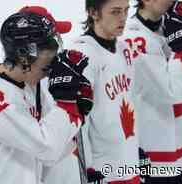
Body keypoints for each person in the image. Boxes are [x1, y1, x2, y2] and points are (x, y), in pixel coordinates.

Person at [0, 9, 93, 184]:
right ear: (24, 56)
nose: (53, 64)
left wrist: (77, 110)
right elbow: (48, 148)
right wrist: (67, 103)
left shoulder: (30, 86)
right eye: (47, 53)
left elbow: (54, 151)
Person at [48, 0, 140, 183]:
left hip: (128, 164)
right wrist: (87, 167)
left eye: (126, 11)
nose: (123, 18)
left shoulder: (124, 49)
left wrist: (137, 148)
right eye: (115, 12)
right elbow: (78, 120)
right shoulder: (81, 54)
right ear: (93, 13)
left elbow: (129, 101)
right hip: (103, 172)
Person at [123, 0, 182, 183]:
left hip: (176, 157)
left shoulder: (166, 32)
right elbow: (173, 92)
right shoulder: (132, 39)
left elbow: (181, 92)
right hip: (151, 160)